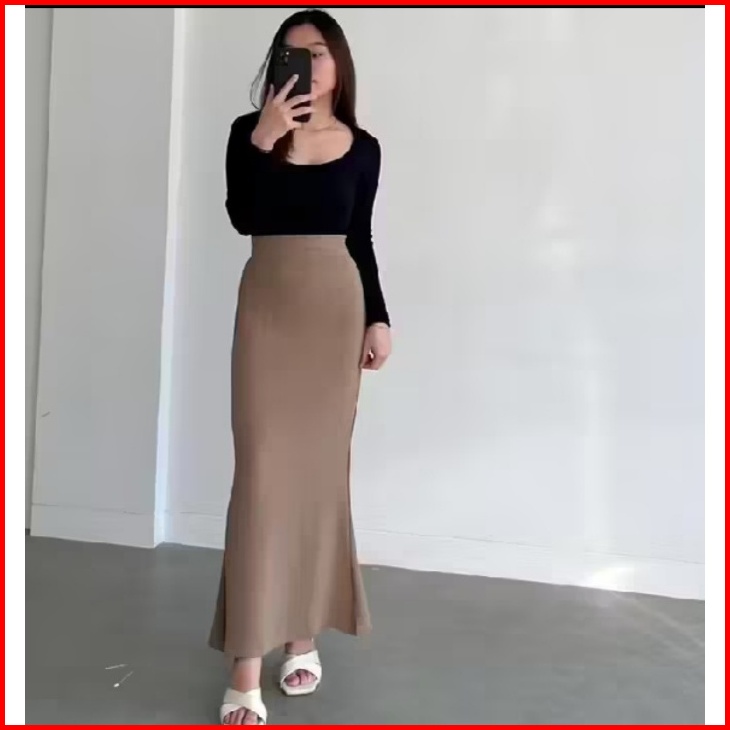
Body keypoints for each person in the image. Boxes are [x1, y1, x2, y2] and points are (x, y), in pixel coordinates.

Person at [208, 9, 392, 725]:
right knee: (260, 478)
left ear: (338, 64)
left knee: (319, 477)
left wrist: (378, 316)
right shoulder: (247, 132)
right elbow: (243, 217)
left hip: (335, 312)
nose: (305, 64)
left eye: (316, 52)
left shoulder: (364, 148)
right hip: (269, 308)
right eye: (290, 53)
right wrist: (263, 139)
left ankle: (303, 636)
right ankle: (245, 661)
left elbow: (361, 238)